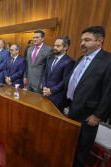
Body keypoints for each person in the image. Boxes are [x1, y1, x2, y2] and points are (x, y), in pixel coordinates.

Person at [65, 26, 111, 167]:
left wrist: (98, 115)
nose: (82, 43)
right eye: (81, 40)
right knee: (71, 145)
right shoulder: (80, 59)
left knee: (81, 151)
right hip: (73, 110)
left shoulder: (108, 60)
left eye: (87, 40)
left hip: (89, 116)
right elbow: (76, 82)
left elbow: (109, 92)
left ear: (100, 41)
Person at [42, 36, 75, 113]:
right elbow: (45, 74)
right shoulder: (50, 59)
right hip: (45, 93)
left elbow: (65, 81)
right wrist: (44, 87)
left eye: (58, 46)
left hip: (57, 96)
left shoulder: (69, 62)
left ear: (65, 47)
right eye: (54, 45)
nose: (54, 47)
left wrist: (52, 90)